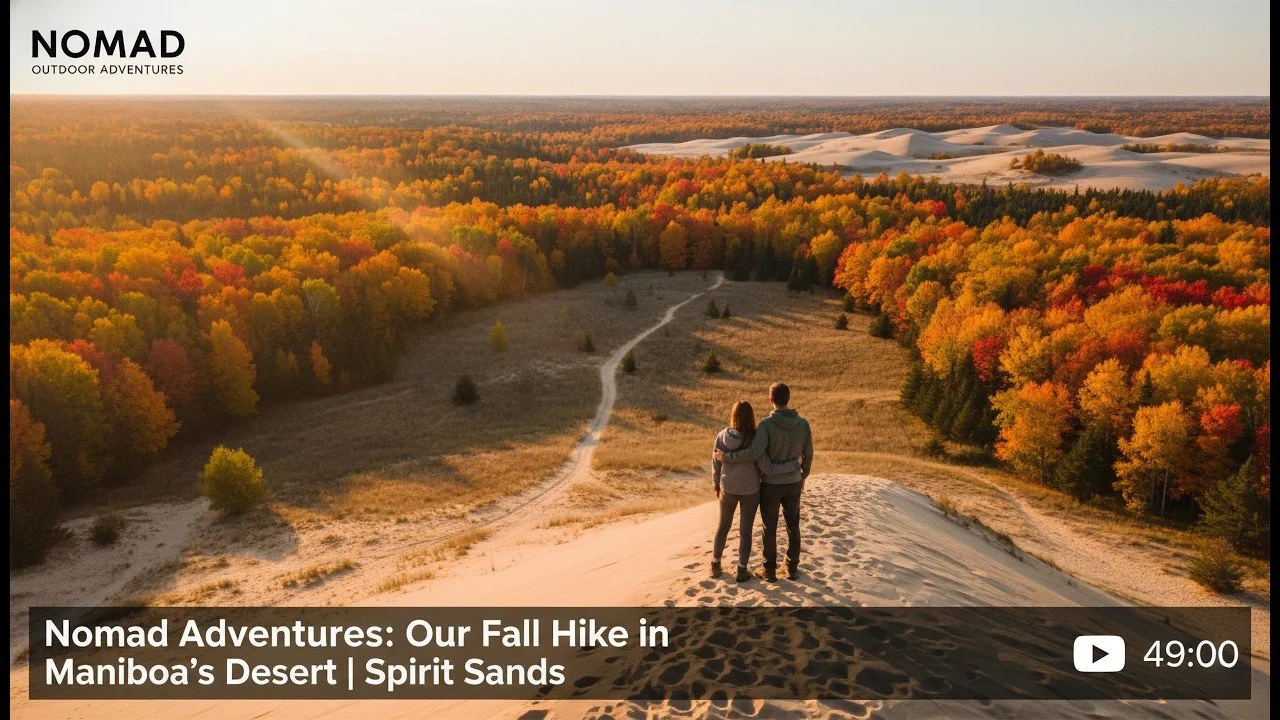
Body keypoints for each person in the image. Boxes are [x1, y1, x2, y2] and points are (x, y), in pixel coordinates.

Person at [715, 382, 813, 582]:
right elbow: (809, 454)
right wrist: (801, 474)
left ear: (771, 400)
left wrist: (726, 458)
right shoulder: (803, 424)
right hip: (793, 482)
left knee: (769, 527)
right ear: (788, 399)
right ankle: (792, 567)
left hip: (770, 485)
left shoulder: (766, 426)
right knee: (793, 525)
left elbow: (756, 456)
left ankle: (769, 571)